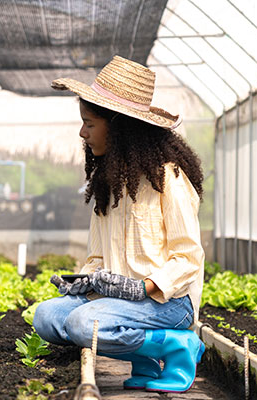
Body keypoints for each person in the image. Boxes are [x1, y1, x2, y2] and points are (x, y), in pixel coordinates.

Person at [32, 55, 206, 393]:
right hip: (120, 303)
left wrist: (143, 288)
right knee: (47, 317)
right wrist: (84, 283)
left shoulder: (168, 179)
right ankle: (145, 349)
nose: (82, 132)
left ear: (121, 126)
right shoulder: (107, 184)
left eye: (90, 123)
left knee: (84, 324)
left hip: (167, 303)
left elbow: (188, 258)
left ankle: (177, 345)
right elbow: (98, 259)